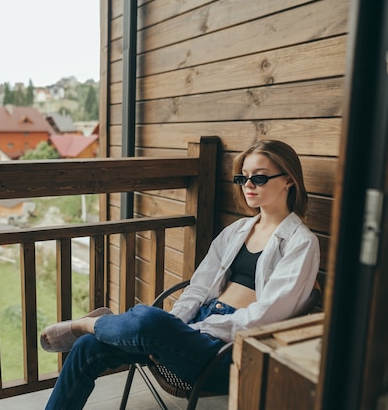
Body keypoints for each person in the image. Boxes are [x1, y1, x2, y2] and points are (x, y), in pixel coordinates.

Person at [39, 140, 321, 410]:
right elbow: (198, 288)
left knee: (149, 321)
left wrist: (185, 332)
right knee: (89, 348)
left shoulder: (301, 243)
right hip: (199, 326)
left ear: (289, 180)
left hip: (229, 350)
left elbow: (266, 317)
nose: (248, 185)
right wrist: (177, 325)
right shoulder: (237, 231)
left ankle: (92, 323)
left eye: (259, 178)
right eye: (243, 177)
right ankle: (96, 330)